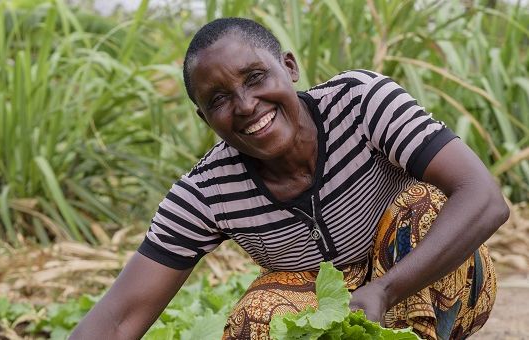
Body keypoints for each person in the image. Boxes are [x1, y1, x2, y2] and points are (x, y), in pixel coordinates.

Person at [70, 17, 509, 340]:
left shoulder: (360, 103)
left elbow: (483, 198)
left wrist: (384, 291)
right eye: (220, 99)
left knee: (423, 208)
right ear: (204, 119)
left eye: (255, 78)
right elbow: (118, 318)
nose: (245, 106)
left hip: (425, 284)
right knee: (255, 314)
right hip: (327, 309)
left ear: (290, 67)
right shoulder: (208, 191)